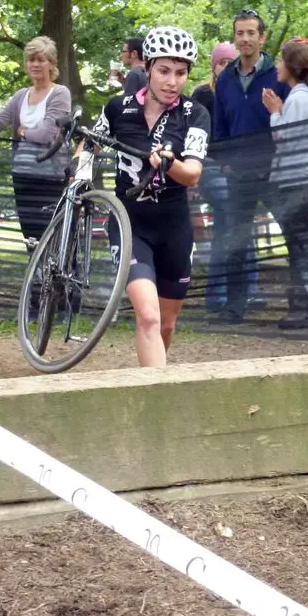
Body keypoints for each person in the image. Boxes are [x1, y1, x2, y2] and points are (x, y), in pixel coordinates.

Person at [95, 26, 210, 367]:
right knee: (147, 316)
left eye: (181, 73)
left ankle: (156, 383)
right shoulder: (118, 108)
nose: (172, 81)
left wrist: (170, 162)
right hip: (129, 224)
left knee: (166, 322)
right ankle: (158, 401)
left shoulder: (194, 114)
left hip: (174, 227)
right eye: (163, 71)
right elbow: (90, 142)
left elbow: (192, 174)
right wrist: (79, 167)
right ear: (146, 68)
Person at [214, 9, 290, 324]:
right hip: (239, 173)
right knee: (236, 240)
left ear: (262, 37)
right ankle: (234, 306)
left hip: (276, 171)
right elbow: (220, 128)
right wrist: (225, 162)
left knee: (294, 234)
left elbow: (291, 118)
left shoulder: (279, 74)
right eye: (240, 33)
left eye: (250, 33)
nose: (245, 39)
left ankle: (307, 304)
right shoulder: (225, 80)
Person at [0, 36, 71, 248]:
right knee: (31, 239)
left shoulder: (60, 93)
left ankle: (60, 280)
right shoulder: (21, 95)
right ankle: (37, 281)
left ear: (52, 62)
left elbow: (47, 135)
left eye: (41, 60)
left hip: (50, 178)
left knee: (54, 238)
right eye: (31, 60)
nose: (35, 65)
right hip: (22, 175)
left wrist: (22, 131)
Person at [262, 38, 308, 328]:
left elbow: (285, 138)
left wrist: (275, 113)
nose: (277, 66)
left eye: (281, 61)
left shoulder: (300, 99)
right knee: (303, 243)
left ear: (291, 65)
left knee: (300, 244)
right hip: (304, 177)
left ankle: (306, 307)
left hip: (295, 179)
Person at [191, 42, 259, 314]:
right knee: (234, 220)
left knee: (231, 228)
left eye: (230, 62)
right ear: (213, 66)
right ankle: (228, 294)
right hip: (211, 167)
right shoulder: (202, 94)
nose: (225, 67)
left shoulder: (241, 93)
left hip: (239, 168)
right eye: (221, 63)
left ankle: (238, 293)